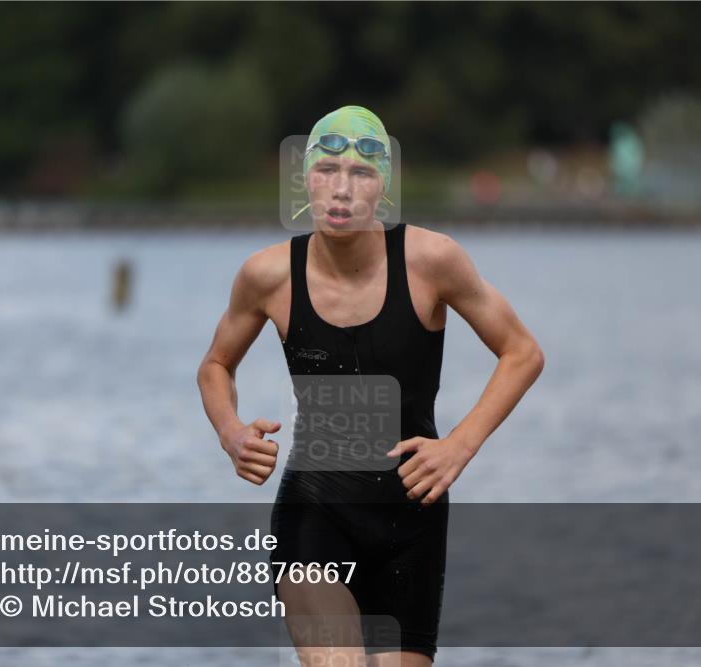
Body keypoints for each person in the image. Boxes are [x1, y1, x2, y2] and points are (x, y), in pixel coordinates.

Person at [197, 105, 544, 666]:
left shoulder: (433, 260)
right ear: (304, 179)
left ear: (383, 186)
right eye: (327, 169)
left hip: (414, 514)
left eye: (361, 174)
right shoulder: (268, 275)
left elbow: (522, 352)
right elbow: (215, 365)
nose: (341, 189)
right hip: (317, 509)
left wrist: (458, 446)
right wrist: (231, 432)